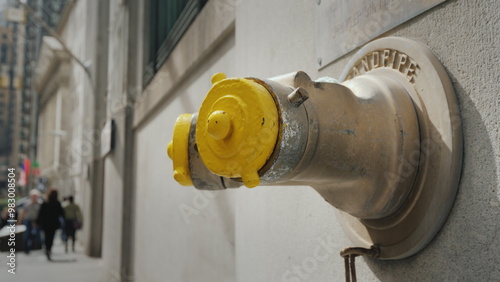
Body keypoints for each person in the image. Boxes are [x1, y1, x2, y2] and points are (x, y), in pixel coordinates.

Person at [36, 188, 64, 260]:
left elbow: (40, 214)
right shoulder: (57, 203)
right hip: (53, 223)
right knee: (51, 237)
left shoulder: (45, 203)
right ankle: (49, 249)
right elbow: (61, 213)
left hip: (45, 223)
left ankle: (47, 248)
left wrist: (37, 222)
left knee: (46, 237)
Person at [19, 189, 42, 254]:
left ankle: (35, 247)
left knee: (37, 235)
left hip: (36, 221)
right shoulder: (27, 204)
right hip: (28, 220)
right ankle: (26, 249)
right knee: (27, 235)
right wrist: (20, 220)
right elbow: (23, 212)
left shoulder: (40, 203)